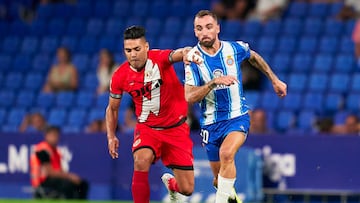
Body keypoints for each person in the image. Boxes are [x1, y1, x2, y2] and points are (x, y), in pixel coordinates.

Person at [184, 10, 287, 203]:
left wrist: (275, 79)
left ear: (217, 28)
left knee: (227, 153)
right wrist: (213, 83)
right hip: (210, 124)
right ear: (195, 32)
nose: (204, 32)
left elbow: (253, 56)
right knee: (219, 181)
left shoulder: (234, 49)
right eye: (199, 28)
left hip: (237, 116)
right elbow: (189, 96)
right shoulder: (193, 59)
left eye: (208, 27)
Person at [105, 26, 202, 203]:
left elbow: (176, 54)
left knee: (187, 189)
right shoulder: (120, 76)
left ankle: (172, 186)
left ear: (146, 47)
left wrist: (188, 52)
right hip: (148, 128)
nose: (133, 54)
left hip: (176, 129)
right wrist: (111, 136)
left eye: (137, 49)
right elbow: (112, 108)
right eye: (128, 50)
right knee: (141, 160)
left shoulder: (159, 58)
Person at [30, 126, 88, 199]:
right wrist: (70, 177)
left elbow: (59, 169)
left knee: (83, 184)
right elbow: (50, 172)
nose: (56, 138)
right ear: (46, 136)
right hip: (43, 182)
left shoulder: (55, 151)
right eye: (53, 135)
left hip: (54, 179)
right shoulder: (42, 150)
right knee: (67, 185)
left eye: (57, 136)